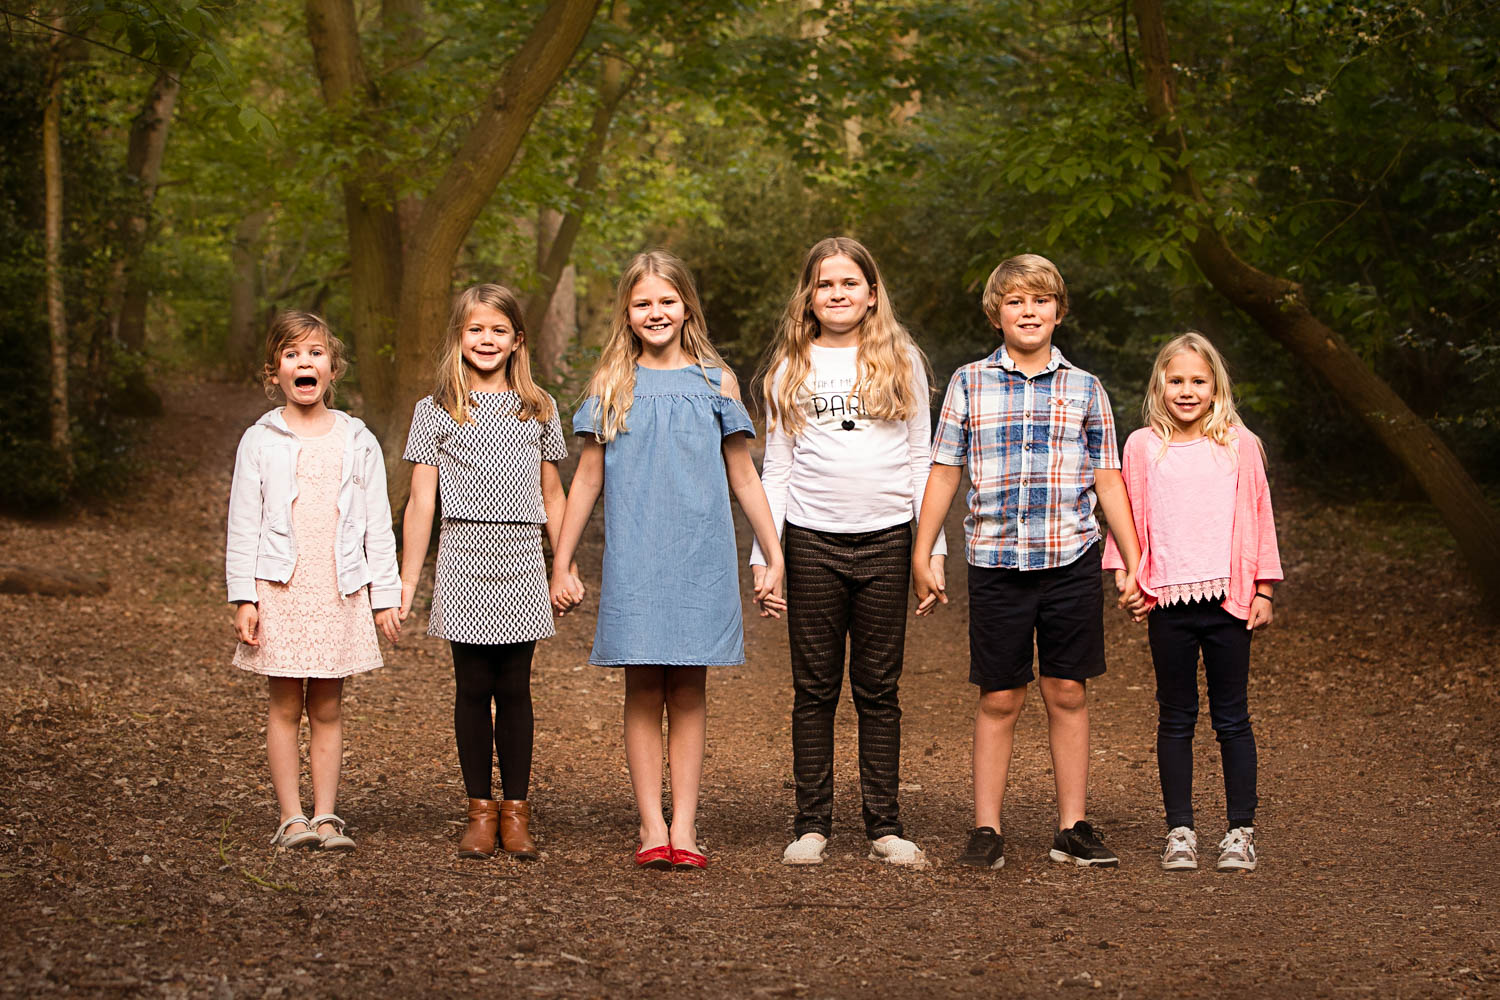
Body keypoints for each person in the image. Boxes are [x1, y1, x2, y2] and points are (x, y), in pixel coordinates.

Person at [549, 250, 786, 872]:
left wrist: (773, 552)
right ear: (627, 314)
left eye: (666, 300)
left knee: (688, 689)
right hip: (637, 558)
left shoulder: (716, 382)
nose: (656, 312)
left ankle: (685, 824)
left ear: (686, 307)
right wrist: (562, 560)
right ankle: (651, 826)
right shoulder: (611, 385)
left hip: (699, 556)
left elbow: (744, 474)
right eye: (642, 303)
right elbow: (587, 480)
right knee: (642, 686)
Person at [911, 253, 1140, 871]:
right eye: (1015, 301)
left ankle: (1072, 826)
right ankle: (987, 827)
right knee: (1000, 697)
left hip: (1070, 560)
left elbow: (1108, 478)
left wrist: (1132, 557)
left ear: (1058, 312)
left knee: (1067, 690)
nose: (1028, 311)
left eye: (1040, 301)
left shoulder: (1086, 388)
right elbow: (944, 471)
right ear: (996, 315)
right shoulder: (968, 383)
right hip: (996, 563)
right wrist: (922, 550)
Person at [752, 237, 945, 868]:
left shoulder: (901, 359)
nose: (837, 294)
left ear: (870, 292)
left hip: (888, 539)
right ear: (808, 296)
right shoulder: (791, 365)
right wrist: (766, 556)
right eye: (825, 284)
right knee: (814, 688)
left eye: (849, 283)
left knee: (878, 688)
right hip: (810, 541)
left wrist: (930, 548)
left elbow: (923, 460)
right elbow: (775, 468)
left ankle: (883, 825)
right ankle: (812, 825)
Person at [399, 283, 578, 861]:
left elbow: (554, 491)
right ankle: (479, 809)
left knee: (516, 688)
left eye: (499, 330)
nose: (486, 339)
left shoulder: (538, 407)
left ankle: (516, 811)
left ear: (518, 340)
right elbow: (422, 501)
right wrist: (407, 579)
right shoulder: (436, 411)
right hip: (464, 553)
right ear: (459, 337)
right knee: (473, 688)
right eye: (476, 329)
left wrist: (563, 563)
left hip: (523, 554)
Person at [1102, 332, 1281, 872]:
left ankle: (1239, 831)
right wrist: (1127, 576)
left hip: (1230, 601)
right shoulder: (1141, 446)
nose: (1186, 391)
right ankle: (1180, 830)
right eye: (1176, 380)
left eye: (1197, 381)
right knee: (1175, 716)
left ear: (1215, 387)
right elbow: (1126, 517)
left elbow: (1260, 514)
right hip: (1168, 603)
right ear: (1160, 384)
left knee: (1233, 717)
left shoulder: (1239, 445)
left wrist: (1265, 589)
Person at [226, 311, 401, 852]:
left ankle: (326, 817)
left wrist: (384, 597)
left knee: (327, 707)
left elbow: (377, 523)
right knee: (284, 705)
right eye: (292, 354)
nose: (305, 362)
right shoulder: (260, 439)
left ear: (332, 367)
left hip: (339, 590)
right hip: (282, 590)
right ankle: (291, 817)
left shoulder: (358, 438)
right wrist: (244, 596)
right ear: (274, 370)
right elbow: (243, 521)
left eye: (316, 353)